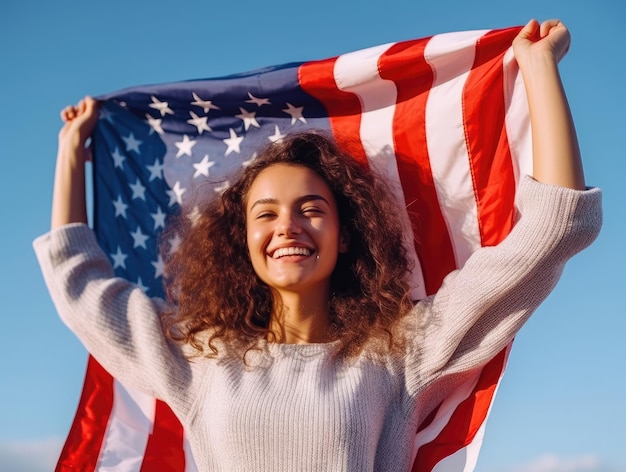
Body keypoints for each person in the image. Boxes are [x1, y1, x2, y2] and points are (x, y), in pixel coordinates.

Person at [35, 19, 602, 471]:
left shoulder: (401, 352)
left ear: (345, 233)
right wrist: (72, 154)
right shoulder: (203, 359)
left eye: (311, 209)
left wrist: (537, 68)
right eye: (266, 214)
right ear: (242, 242)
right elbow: (81, 287)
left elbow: (555, 229)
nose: (288, 227)